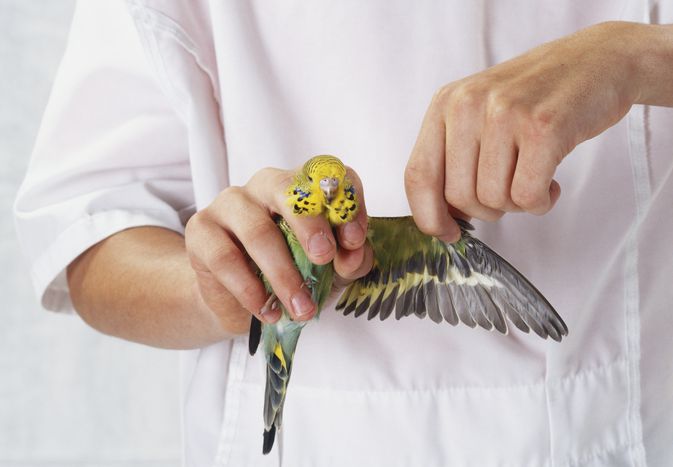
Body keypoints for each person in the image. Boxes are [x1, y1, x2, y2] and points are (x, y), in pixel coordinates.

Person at [14, 1, 673, 465]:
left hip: (636, 428)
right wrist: (215, 284)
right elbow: (89, 225)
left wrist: (640, 57)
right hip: (315, 441)